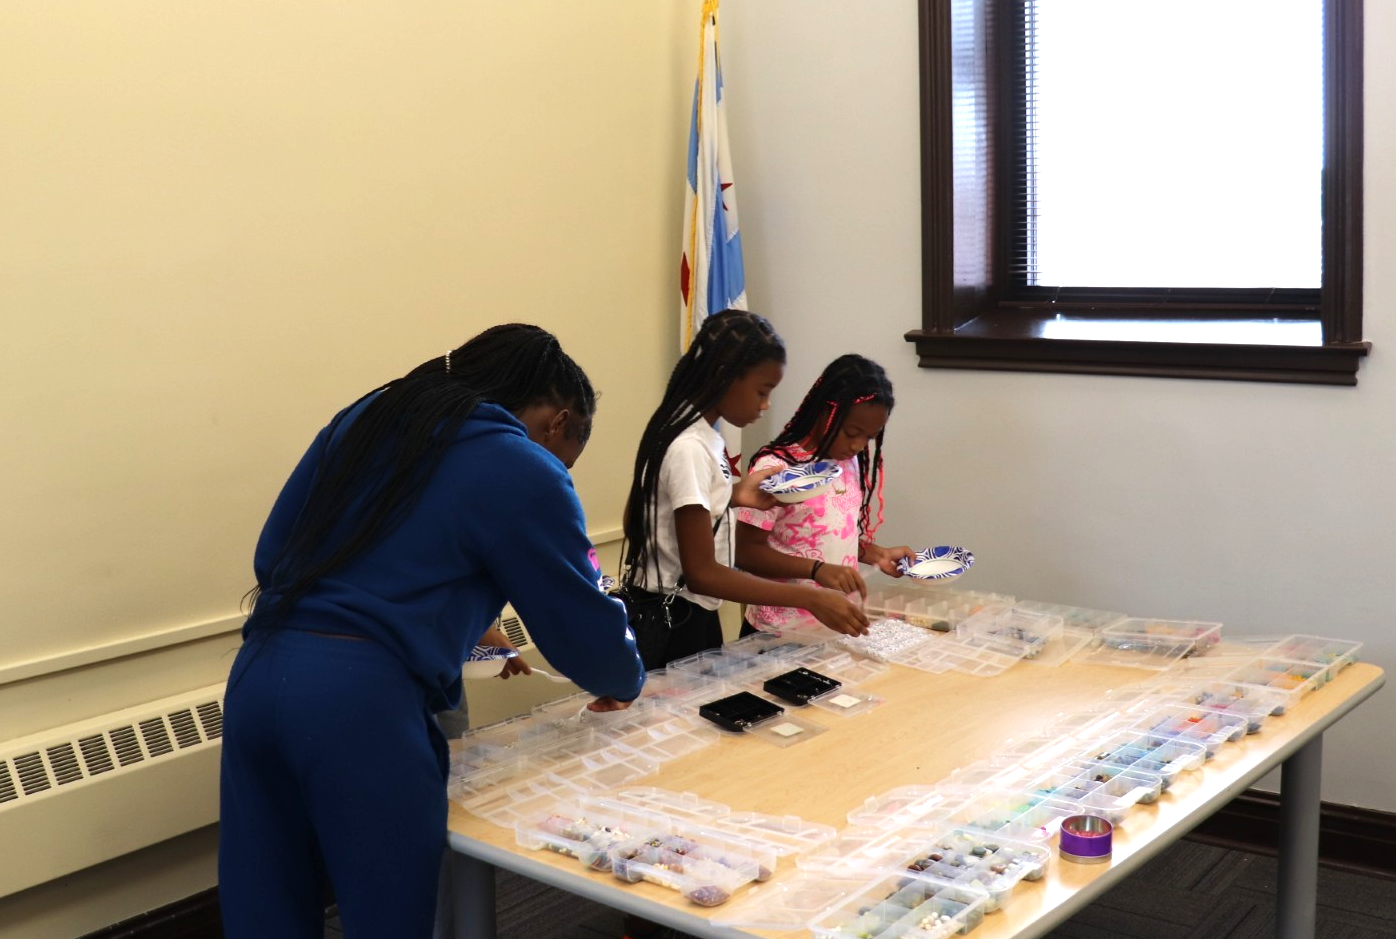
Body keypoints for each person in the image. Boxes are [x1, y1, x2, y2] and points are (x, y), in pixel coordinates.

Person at [218, 324, 645, 939]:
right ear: (558, 422)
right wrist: (623, 675)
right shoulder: (522, 466)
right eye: (568, 458)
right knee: (389, 916)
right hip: (360, 706)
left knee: (267, 913)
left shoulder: (364, 418)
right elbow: (579, 623)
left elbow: (274, 552)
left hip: (260, 675)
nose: (563, 469)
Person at [618, 310, 869, 673]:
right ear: (725, 376)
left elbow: (640, 516)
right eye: (762, 391)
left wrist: (733, 495)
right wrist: (810, 598)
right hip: (673, 620)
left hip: (692, 612)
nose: (765, 405)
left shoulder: (691, 433)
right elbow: (703, 573)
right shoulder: (689, 446)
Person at [735, 354, 913, 637]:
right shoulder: (777, 468)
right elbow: (745, 552)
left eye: (869, 437)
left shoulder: (848, 462)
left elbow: (824, 536)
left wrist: (877, 554)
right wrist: (815, 570)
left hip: (832, 627)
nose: (857, 445)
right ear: (824, 411)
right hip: (778, 632)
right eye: (851, 432)